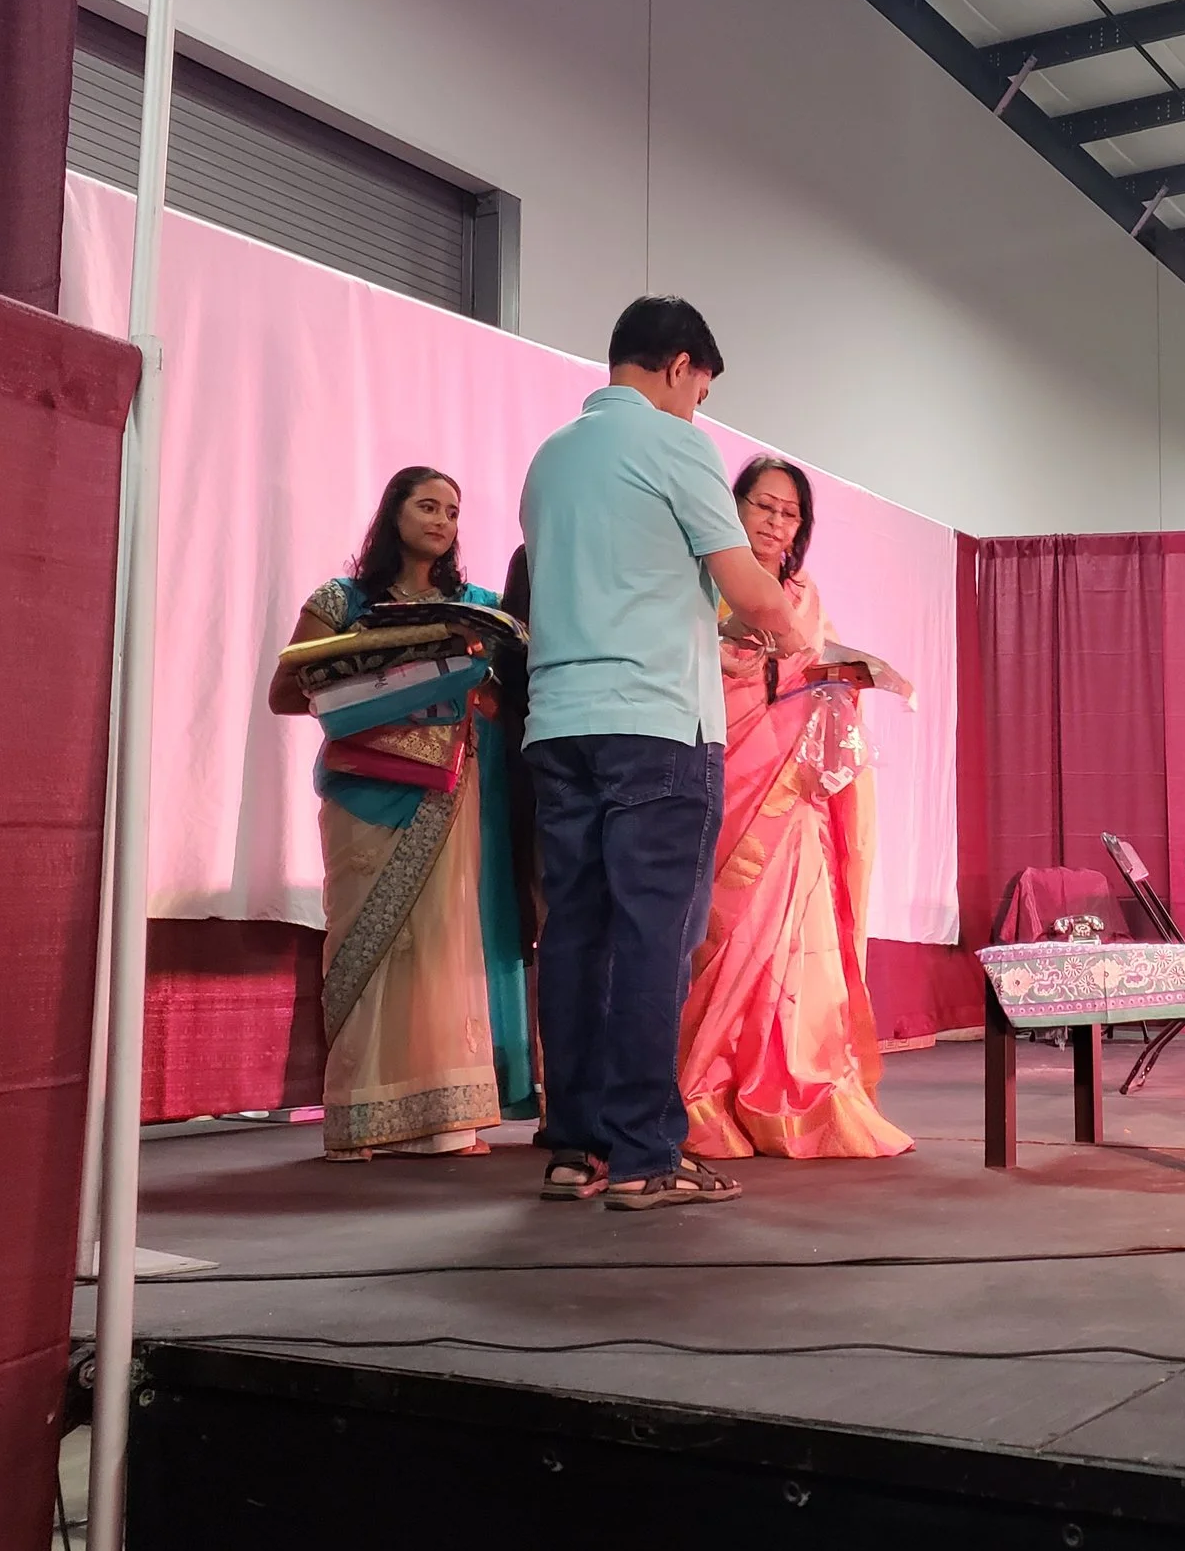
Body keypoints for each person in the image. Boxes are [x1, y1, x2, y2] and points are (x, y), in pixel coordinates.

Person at [518, 297, 806, 1209]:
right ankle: (647, 1152)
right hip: (655, 724)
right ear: (681, 366)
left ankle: (575, 1147)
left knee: (575, 933)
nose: (698, 407)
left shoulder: (549, 457)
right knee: (654, 937)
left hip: (558, 722)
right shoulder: (676, 445)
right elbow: (751, 592)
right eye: (701, 389)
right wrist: (794, 625)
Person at [267, 467, 536, 1159]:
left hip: (448, 791)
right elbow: (286, 693)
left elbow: (504, 702)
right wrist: (381, 680)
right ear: (394, 513)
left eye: (452, 510)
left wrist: (471, 686)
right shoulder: (341, 600)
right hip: (364, 790)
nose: (442, 520)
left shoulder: (475, 609)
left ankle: (443, 1116)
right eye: (427, 506)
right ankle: (362, 1116)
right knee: (367, 942)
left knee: (442, 947)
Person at [676, 457, 914, 1159]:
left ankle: (795, 1083)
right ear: (735, 505)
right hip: (728, 773)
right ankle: (707, 1085)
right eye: (765, 506)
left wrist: (843, 680)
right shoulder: (705, 584)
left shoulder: (804, 595)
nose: (777, 523)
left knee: (800, 935)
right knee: (726, 933)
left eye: (790, 513)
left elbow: (811, 666)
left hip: (796, 788)